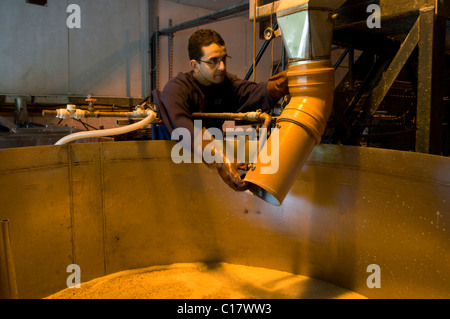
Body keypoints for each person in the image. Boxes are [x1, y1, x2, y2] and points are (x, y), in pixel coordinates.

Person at [153, 29, 288, 191]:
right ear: (195, 65)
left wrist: (285, 82)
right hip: (172, 168)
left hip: (206, 171)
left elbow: (252, 93)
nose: (222, 67)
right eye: (213, 61)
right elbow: (183, 128)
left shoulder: (225, 84)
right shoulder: (176, 89)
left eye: (224, 59)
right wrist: (222, 160)